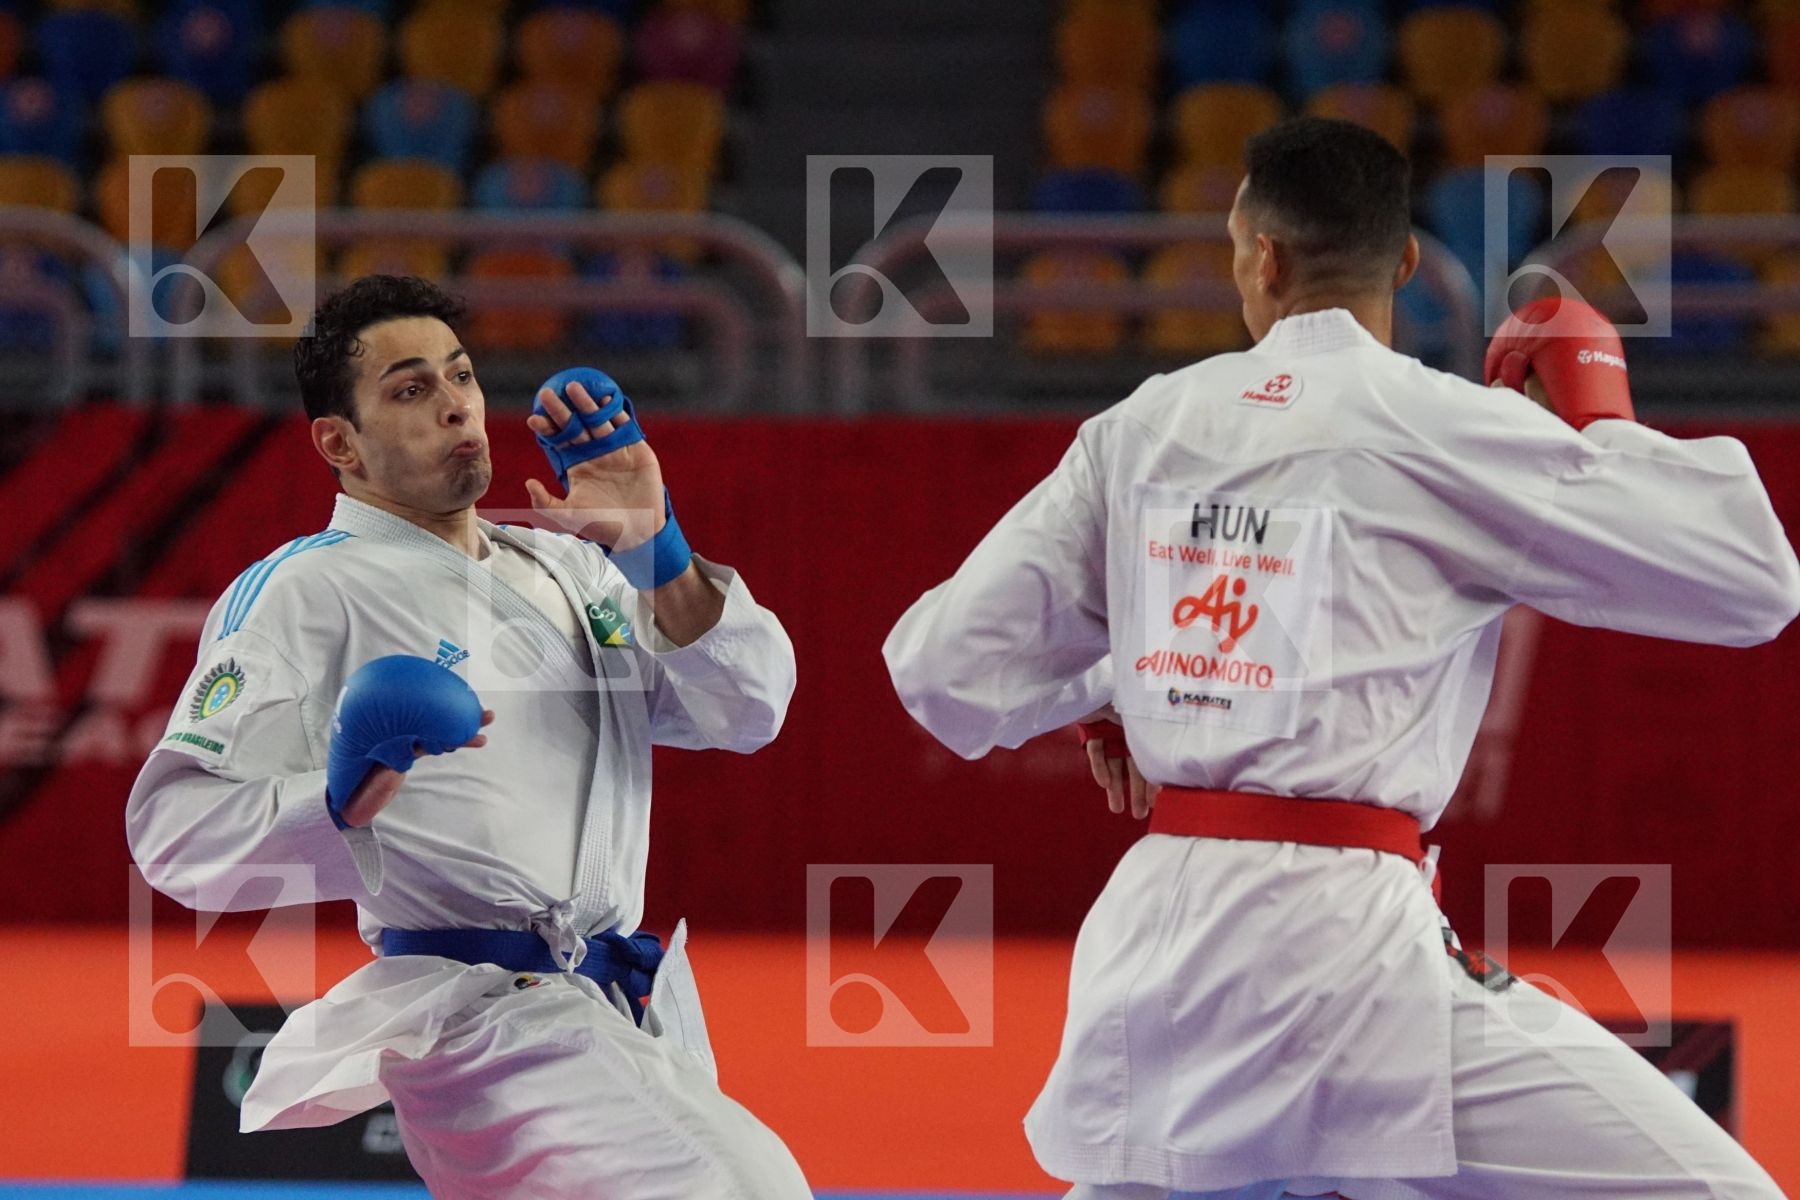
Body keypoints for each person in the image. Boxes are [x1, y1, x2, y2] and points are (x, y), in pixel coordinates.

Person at [883, 117, 1799, 1200]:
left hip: (1167, 933)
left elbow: (942, 669)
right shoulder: (1446, 427)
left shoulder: (1142, 427)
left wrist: (1128, 675)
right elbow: (1755, 581)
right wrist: (1601, 425)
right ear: (1408, 263)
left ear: (1259, 256)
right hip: (1339, 949)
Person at [126, 275, 812, 1199]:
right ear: (340, 443)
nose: (454, 404)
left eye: (461, 376)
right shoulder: (306, 589)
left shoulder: (570, 561)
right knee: (743, 1186)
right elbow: (175, 836)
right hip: (473, 1018)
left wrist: (660, 557)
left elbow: (749, 710)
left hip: (619, 1002)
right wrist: (344, 791)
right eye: (411, 390)